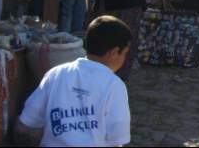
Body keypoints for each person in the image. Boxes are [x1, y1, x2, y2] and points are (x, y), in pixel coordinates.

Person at [16, 16, 133, 147]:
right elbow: (117, 138)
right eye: (125, 53)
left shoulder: (56, 73)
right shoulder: (114, 85)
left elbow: (28, 119)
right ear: (115, 52)